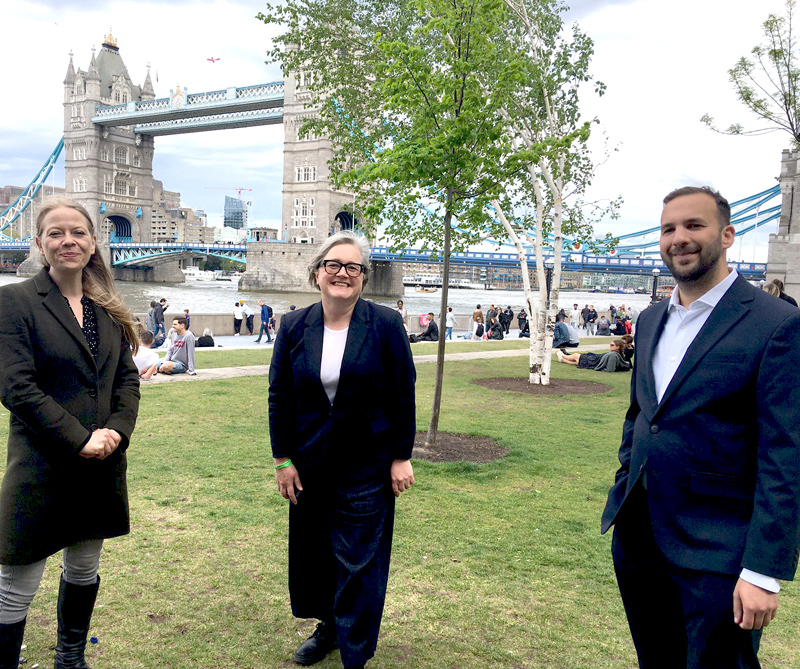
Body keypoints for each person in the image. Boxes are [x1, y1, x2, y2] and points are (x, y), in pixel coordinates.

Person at [601, 186, 800, 668]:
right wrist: (627, 477)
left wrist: (763, 571)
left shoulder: (777, 324)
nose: (678, 238)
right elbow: (642, 415)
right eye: (668, 229)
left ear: (727, 235)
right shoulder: (650, 320)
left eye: (694, 226)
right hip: (641, 539)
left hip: (720, 553)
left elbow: (786, 455)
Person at [0, 198, 140, 668]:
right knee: (17, 582)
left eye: (78, 232)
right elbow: (17, 387)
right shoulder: (14, 301)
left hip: (101, 462)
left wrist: (116, 432)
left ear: (94, 242)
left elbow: (126, 378)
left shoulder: (107, 307)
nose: (68, 241)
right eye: (56, 233)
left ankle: (70, 657)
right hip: (42, 463)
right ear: (39, 243)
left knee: (84, 567)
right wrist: (80, 438)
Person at [268, 231, 416, 669]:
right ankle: (328, 629)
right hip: (309, 463)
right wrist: (283, 459)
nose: (342, 274)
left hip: (366, 464)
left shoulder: (385, 324)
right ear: (317, 273)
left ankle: (355, 653)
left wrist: (401, 455)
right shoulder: (295, 325)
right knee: (317, 556)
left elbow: (402, 393)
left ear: (363, 279)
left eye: (353, 267)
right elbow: (280, 396)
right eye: (334, 265)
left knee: (359, 563)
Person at [555, 340, 631, 372]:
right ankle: (562, 359)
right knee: (576, 361)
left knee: (575, 356)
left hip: (593, 361)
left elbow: (610, 369)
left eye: (612, 345)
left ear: (617, 347)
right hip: (594, 360)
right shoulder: (617, 355)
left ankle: (563, 356)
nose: (610, 346)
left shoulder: (613, 355)